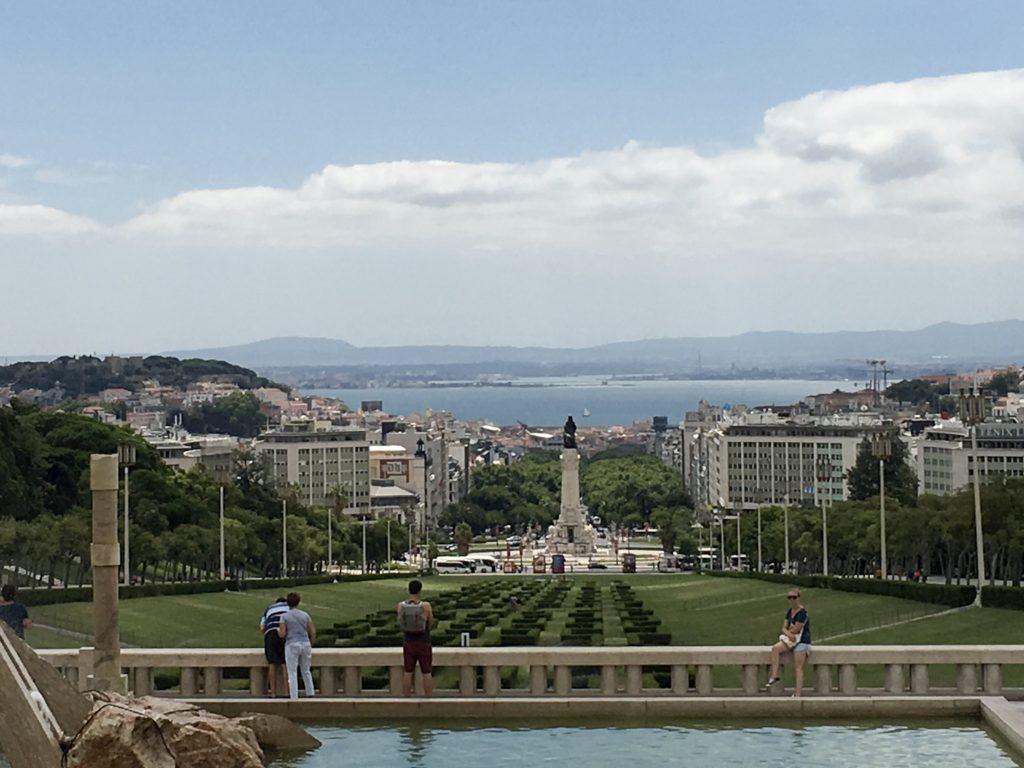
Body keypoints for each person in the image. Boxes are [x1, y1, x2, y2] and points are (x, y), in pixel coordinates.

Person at [766, 589, 811, 697]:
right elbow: (784, 628)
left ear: (799, 598)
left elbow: (797, 630)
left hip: (802, 641)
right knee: (775, 649)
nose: (792, 600)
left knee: (797, 667)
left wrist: (789, 631)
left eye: (794, 597)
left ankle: (798, 693)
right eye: (789, 597)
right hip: (791, 640)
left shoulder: (802, 613)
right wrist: (788, 632)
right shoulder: (789, 611)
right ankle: (775, 675)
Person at [397, 579, 434, 697]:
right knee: (427, 672)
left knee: (408, 672)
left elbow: (400, 621)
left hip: (408, 641)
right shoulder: (425, 605)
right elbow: (431, 621)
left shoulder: (401, 606)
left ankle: (406, 698)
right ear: (420, 590)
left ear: (409, 590)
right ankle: (428, 698)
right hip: (424, 642)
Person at [277, 592, 316, 700]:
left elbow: (283, 634)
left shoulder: (284, 616)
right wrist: (310, 644)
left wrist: (278, 632)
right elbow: (312, 632)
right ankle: (310, 692)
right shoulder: (305, 615)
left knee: (292, 671)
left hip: (292, 644)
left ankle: (294, 696)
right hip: (305, 643)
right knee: (306, 670)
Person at [259, 596, 290, 697]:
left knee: (272, 664)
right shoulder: (289, 607)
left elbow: (262, 627)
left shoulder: (269, 608)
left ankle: (273, 693)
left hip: (270, 634)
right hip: (283, 633)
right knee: (285, 664)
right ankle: (287, 692)